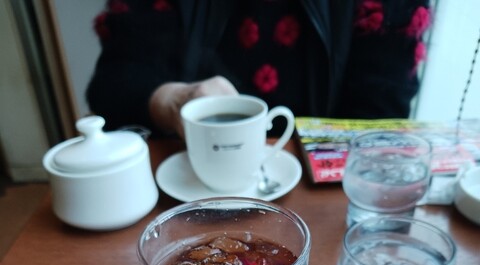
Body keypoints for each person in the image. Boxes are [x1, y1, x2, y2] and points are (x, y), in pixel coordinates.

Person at [86, 0, 433, 138]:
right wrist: (168, 99)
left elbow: (378, 121)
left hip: (319, 203)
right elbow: (113, 84)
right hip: (185, 186)